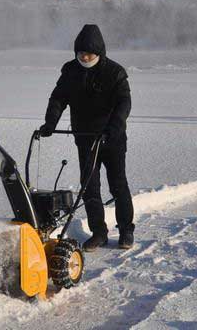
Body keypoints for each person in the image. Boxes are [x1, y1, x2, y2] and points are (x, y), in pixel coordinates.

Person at [38, 24, 134, 251]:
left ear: (98, 52)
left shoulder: (114, 72)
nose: (84, 56)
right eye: (80, 53)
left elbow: (124, 103)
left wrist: (114, 128)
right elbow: (58, 99)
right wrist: (50, 123)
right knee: (89, 187)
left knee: (118, 184)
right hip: (85, 138)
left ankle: (126, 230)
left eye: (88, 53)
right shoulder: (70, 71)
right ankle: (98, 232)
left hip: (112, 138)